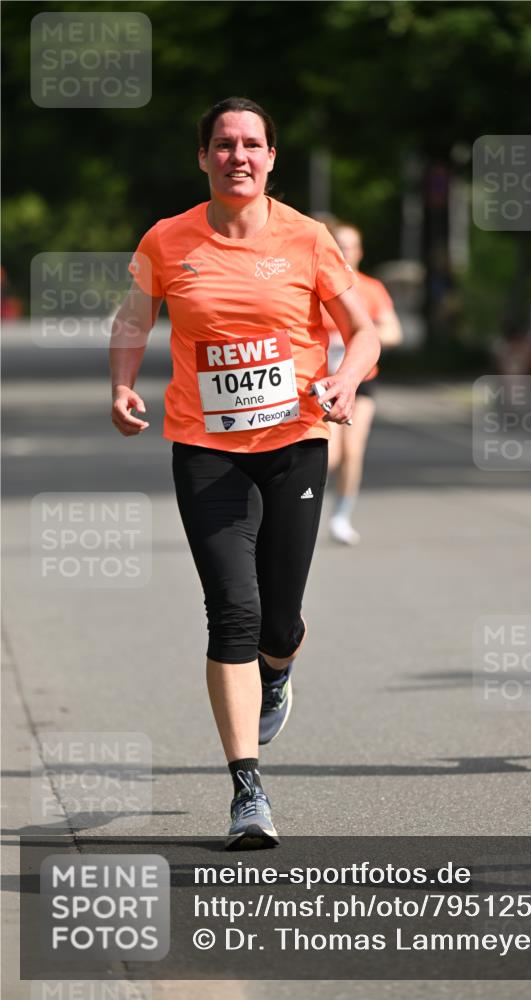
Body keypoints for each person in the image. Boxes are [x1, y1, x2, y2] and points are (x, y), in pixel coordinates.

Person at [109, 97, 380, 847]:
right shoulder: (167, 240)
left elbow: (361, 333)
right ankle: (246, 790)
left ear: (270, 159)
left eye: (251, 144)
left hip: (293, 443)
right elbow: (134, 317)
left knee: (279, 620)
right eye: (223, 144)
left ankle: (279, 669)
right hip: (205, 447)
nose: (237, 155)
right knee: (230, 608)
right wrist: (123, 384)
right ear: (203, 158)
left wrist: (347, 381)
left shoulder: (308, 239)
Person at [322, 222, 402, 545]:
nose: (344, 251)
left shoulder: (371, 288)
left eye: (350, 246)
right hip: (323, 382)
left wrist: (359, 339)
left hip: (362, 381)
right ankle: (304, 509)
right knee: (329, 456)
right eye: (339, 244)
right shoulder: (319, 285)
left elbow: (394, 332)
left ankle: (341, 516)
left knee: (353, 452)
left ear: (360, 252)